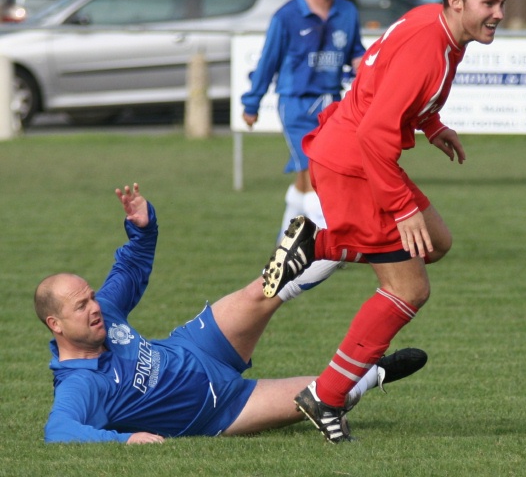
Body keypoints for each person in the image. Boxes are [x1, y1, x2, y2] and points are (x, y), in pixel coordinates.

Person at [262, 0, 507, 442]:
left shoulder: (439, 27)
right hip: (356, 163)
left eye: (502, 2)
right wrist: (401, 205)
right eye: (490, 3)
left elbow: (386, 88)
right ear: (457, 2)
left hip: (358, 155)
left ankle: (320, 246)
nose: (499, 12)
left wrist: (431, 125)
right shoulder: (428, 45)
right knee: (409, 289)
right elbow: (376, 131)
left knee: (436, 241)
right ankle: (326, 396)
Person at [34, 183, 427, 444]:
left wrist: (143, 226)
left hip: (198, 346)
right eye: (81, 305)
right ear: (56, 325)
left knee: (265, 288)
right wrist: (125, 439)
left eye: (91, 297)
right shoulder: (78, 384)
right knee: (325, 395)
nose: (95, 307)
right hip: (221, 408)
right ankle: (376, 373)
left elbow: (131, 268)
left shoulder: (106, 313)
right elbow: (59, 431)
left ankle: (340, 240)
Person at [241, 0, 366, 236]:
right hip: (295, 104)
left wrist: (365, 65)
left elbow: (355, 51)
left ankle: (283, 244)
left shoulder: (347, 12)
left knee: (310, 173)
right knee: (315, 170)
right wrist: (252, 103)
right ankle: (327, 243)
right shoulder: (286, 16)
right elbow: (268, 61)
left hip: (332, 104)